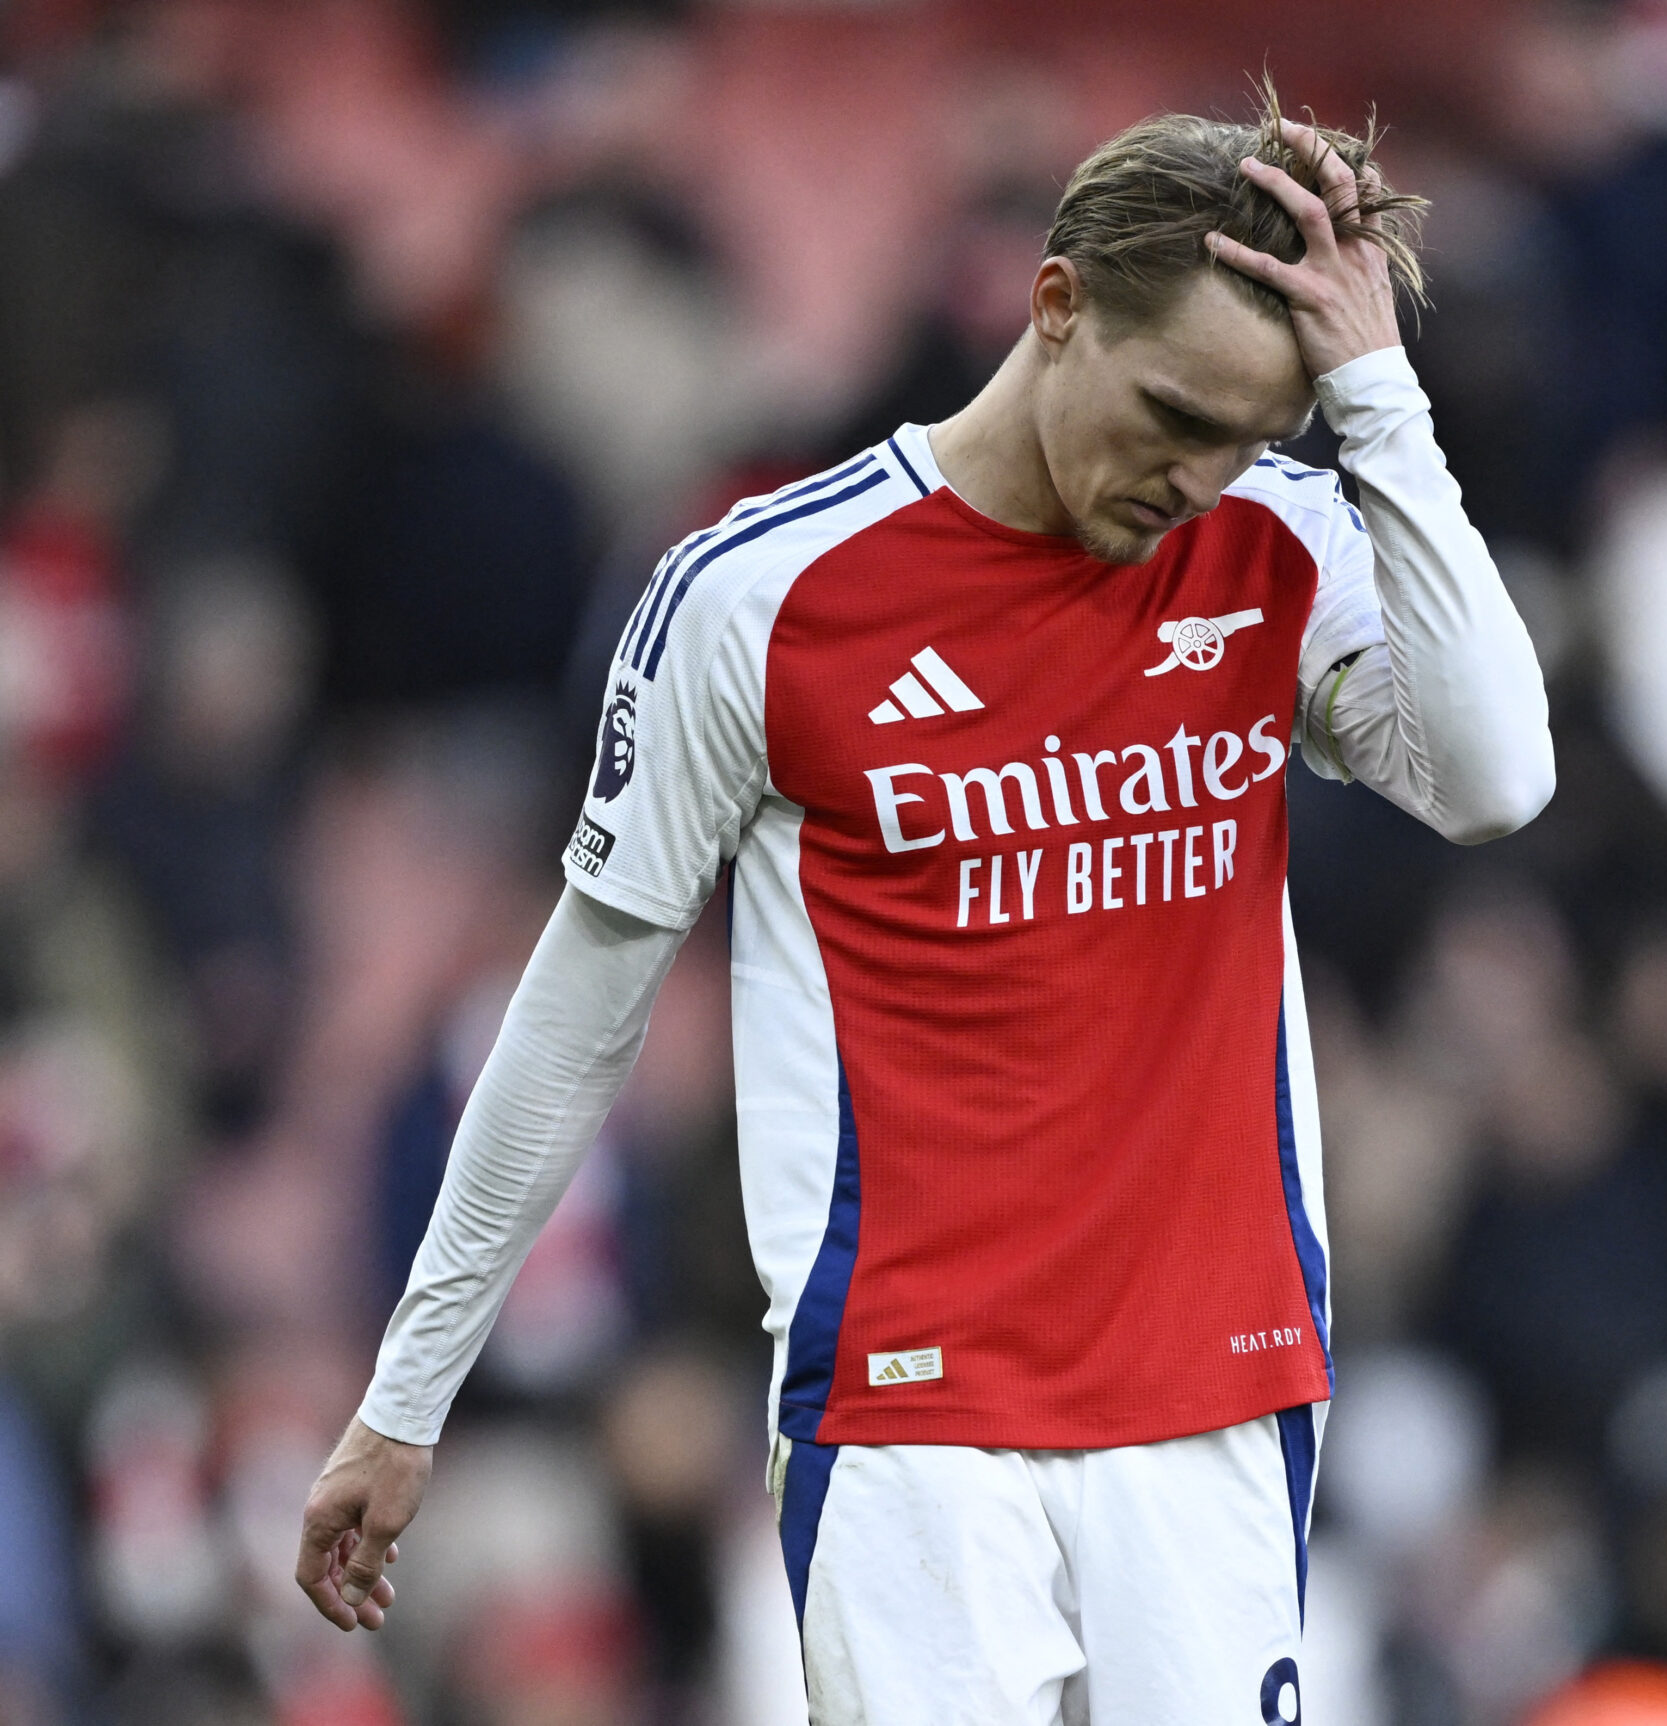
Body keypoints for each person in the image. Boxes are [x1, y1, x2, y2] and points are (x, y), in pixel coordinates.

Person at [295, 86, 1554, 1723]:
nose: (1195, 474)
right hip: (913, 1418)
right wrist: (408, 1395)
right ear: (1056, 305)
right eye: (1173, 409)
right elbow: (575, 1017)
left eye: (1251, 434)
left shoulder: (1274, 547)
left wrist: (1380, 406)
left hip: (1216, 1395)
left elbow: (1497, 776)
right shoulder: (763, 601)